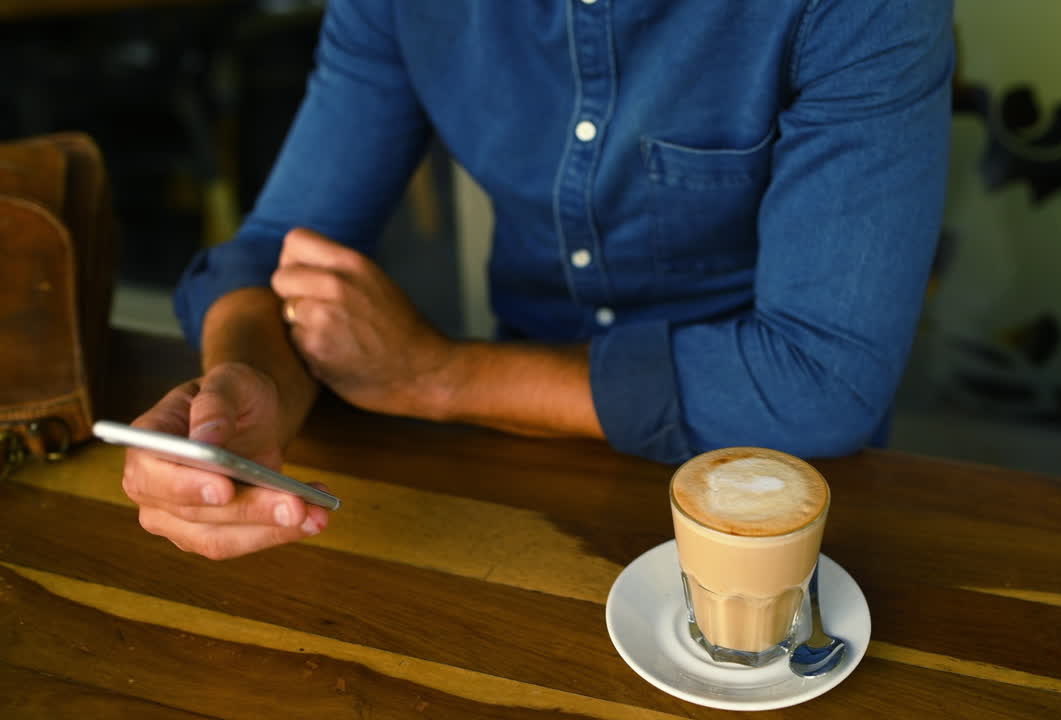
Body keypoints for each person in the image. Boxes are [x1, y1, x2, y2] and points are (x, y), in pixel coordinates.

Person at [122, 0, 954, 560]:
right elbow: (278, 248)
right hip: (524, 461)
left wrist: (439, 378)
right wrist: (244, 389)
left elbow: (823, 379)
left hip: (780, 485)